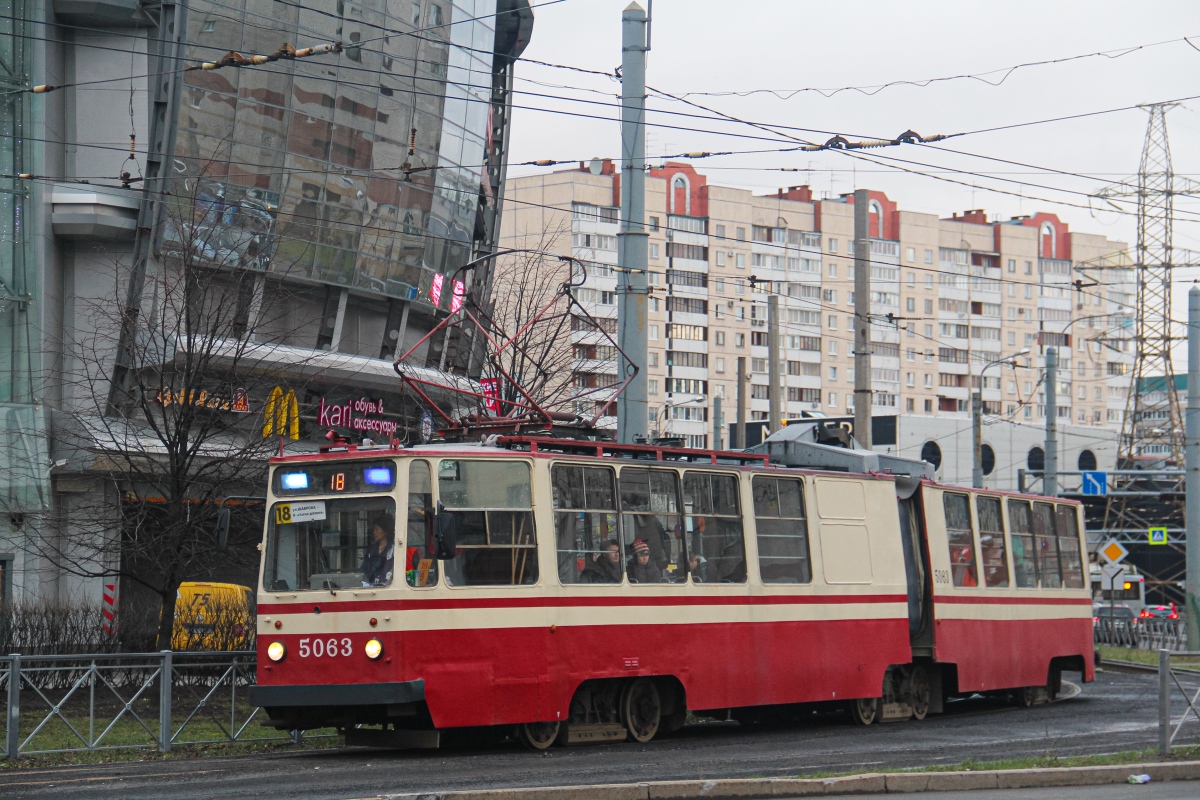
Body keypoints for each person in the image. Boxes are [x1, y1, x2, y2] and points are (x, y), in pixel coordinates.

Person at [361, 514, 396, 586]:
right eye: (374, 529)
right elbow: (363, 570)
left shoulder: (393, 549)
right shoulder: (371, 550)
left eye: (377, 529)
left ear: (385, 531)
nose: (374, 532)